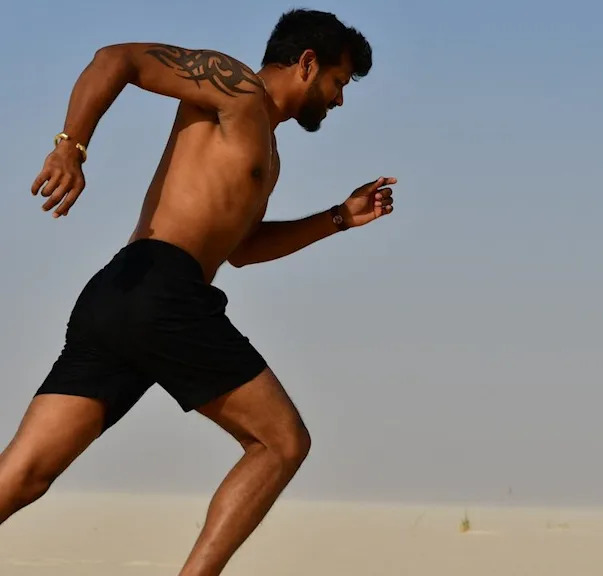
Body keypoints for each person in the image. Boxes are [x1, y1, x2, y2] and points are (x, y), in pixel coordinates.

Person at [0, 9, 394, 576]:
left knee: (23, 475)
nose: (338, 101)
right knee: (280, 444)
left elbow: (242, 248)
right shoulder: (234, 88)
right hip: (163, 288)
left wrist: (338, 218)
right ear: (307, 64)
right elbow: (117, 59)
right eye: (339, 82)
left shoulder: (268, 152)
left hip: (119, 294)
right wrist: (71, 147)